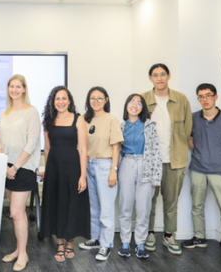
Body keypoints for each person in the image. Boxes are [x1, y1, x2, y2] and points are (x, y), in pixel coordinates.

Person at [181, 83, 221, 262]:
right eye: (201, 96)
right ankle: (199, 236)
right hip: (198, 168)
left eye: (208, 95)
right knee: (197, 206)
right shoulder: (193, 118)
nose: (205, 99)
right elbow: (189, 138)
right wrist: (200, 153)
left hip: (220, 170)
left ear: (215, 97)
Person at [142, 63, 192, 255]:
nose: (159, 78)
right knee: (149, 201)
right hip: (150, 161)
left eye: (163, 74)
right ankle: (150, 233)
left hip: (175, 160)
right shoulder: (143, 98)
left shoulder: (181, 99)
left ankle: (169, 235)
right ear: (150, 78)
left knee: (171, 201)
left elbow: (187, 130)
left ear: (169, 76)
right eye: (155, 75)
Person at [0, 74, 41, 272]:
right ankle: (18, 249)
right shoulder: (3, 113)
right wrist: (5, 165)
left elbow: (32, 143)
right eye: (11, 86)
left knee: (15, 212)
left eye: (18, 86)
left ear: (24, 89)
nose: (14, 90)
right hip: (5, 168)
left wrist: (15, 167)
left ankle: (23, 254)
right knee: (18, 214)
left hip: (23, 168)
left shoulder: (31, 112)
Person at [39, 86, 89, 262]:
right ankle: (59, 244)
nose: (60, 102)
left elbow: (83, 149)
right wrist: (47, 169)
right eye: (57, 99)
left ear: (69, 101)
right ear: (53, 102)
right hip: (54, 169)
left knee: (71, 204)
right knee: (56, 205)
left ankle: (69, 242)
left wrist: (83, 175)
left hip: (73, 168)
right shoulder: (48, 120)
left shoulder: (78, 119)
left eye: (64, 98)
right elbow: (47, 148)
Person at [78, 86, 123, 261]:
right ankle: (96, 239)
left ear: (106, 99)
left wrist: (114, 170)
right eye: (92, 98)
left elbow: (116, 147)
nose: (95, 101)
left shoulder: (111, 119)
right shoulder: (84, 119)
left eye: (99, 98)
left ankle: (106, 244)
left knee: (106, 209)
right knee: (94, 207)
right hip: (88, 165)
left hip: (105, 166)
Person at [117, 94, 162, 259]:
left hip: (145, 165)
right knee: (125, 206)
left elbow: (156, 152)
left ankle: (141, 243)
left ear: (143, 108)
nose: (135, 105)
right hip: (126, 165)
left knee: (143, 208)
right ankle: (125, 242)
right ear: (126, 105)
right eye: (132, 102)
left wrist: (156, 178)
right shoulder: (120, 127)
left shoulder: (149, 126)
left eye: (139, 103)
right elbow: (116, 152)